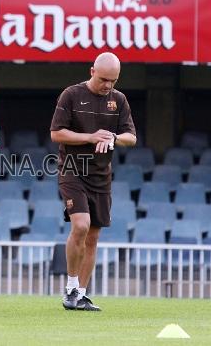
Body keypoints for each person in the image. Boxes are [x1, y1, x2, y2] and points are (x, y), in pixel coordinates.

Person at [50, 52, 136, 311]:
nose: (108, 85)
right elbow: (56, 133)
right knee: (81, 225)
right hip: (73, 169)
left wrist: (113, 137)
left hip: (101, 175)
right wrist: (91, 137)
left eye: (113, 81)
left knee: (93, 236)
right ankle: (71, 289)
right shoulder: (71, 95)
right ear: (91, 72)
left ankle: (82, 294)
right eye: (103, 79)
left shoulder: (119, 100)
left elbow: (131, 137)